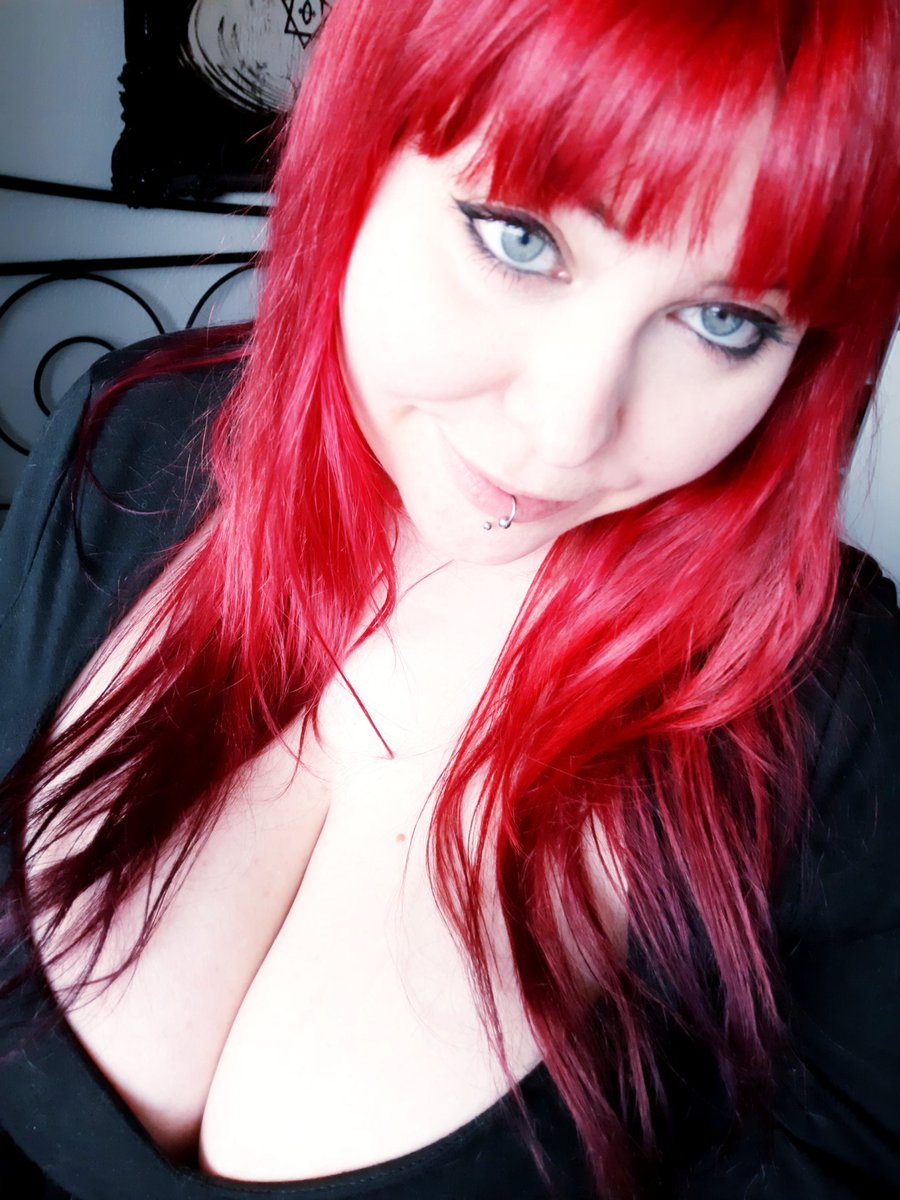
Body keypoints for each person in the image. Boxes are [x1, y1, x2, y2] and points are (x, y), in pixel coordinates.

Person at [0, 0, 898, 1196]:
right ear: (356, 153)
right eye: (517, 238)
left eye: (725, 320)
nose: (566, 431)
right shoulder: (119, 447)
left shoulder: (844, 723)